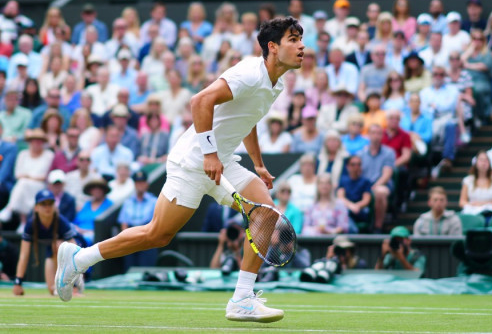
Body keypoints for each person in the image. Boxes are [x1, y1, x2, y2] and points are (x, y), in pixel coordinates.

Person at [56, 17, 306, 323]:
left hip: (222, 161)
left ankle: (242, 299)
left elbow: (248, 118)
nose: (301, 45)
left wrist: (258, 164)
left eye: (300, 39)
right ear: (273, 46)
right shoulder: (249, 73)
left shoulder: (275, 83)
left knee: (265, 213)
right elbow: (200, 101)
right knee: (157, 234)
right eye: (293, 39)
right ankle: (79, 258)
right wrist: (210, 154)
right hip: (193, 161)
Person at [12, 189, 79, 297]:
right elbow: (24, 255)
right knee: (53, 291)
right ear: (36, 208)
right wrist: (18, 282)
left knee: (58, 245)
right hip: (51, 251)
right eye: (43, 204)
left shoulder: (61, 222)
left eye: (50, 203)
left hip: (69, 252)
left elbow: (75, 253)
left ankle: (74, 283)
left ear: (54, 205)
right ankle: (59, 286)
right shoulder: (30, 225)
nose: (47, 207)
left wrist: (75, 284)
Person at [358, 124, 396, 232]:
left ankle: (377, 227)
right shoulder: (361, 154)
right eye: (373, 133)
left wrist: (374, 186)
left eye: (379, 133)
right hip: (365, 185)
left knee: (380, 192)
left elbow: (387, 174)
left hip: (383, 185)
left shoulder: (389, 152)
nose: (376, 136)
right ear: (368, 135)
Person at [116, 170, 158, 268]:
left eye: (142, 182)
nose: (140, 185)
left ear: (147, 184)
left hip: (147, 238)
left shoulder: (154, 201)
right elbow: (124, 224)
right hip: (131, 238)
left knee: (146, 269)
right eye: (138, 182)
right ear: (134, 184)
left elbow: (156, 222)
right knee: (129, 269)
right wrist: (128, 239)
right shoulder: (128, 202)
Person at [459, 151, 492, 216]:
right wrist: (472, 205)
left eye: (486, 160)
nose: (484, 163)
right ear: (475, 163)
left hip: (490, 213)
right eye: (481, 160)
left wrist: (483, 204)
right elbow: (462, 202)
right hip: (472, 212)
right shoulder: (467, 180)